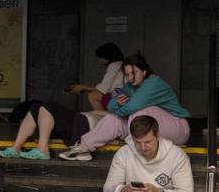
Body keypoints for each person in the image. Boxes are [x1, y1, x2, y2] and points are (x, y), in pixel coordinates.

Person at [60, 53, 190, 161]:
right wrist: (117, 104)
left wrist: (120, 108)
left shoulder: (154, 83)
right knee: (114, 120)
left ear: (144, 72)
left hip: (178, 129)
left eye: (135, 73)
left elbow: (131, 108)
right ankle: (84, 148)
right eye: (127, 75)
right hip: (148, 129)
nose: (131, 78)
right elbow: (111, 103)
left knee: (140, 111)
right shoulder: (129, 86)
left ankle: (134, 149)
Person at [66, 42, 125, 112]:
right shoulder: (121, 64)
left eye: (101, 57)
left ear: (107, 57)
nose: (100, 60)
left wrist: (83, 87)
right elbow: (108, 89)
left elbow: (103, 89)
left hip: (120, 99)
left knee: (93, 95)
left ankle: (102, 118)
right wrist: (83, 88)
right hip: (121, 96)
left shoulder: (114, 66)